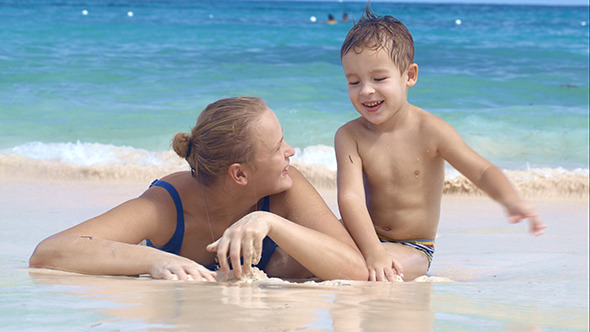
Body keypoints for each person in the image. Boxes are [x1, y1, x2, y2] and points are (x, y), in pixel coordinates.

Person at [30, 97, 368, 282]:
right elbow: (49, 252)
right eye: (278, 146)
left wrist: (272, 223)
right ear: (239, 174)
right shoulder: (167, 206)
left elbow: (356, 270)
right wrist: (153, 260)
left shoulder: (284, 189)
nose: (290, 151)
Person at [335, 7, 547, 282]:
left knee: (374, 272)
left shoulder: (431, 131)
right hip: (361, 236)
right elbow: (350, 197)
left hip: (412, 247)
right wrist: (373, 249)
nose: (365, 90)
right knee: (295, 256)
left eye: (379, 78)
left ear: (409, 76)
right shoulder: (349, 135)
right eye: (354, 81)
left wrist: (511, 200)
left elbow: (481, 170)